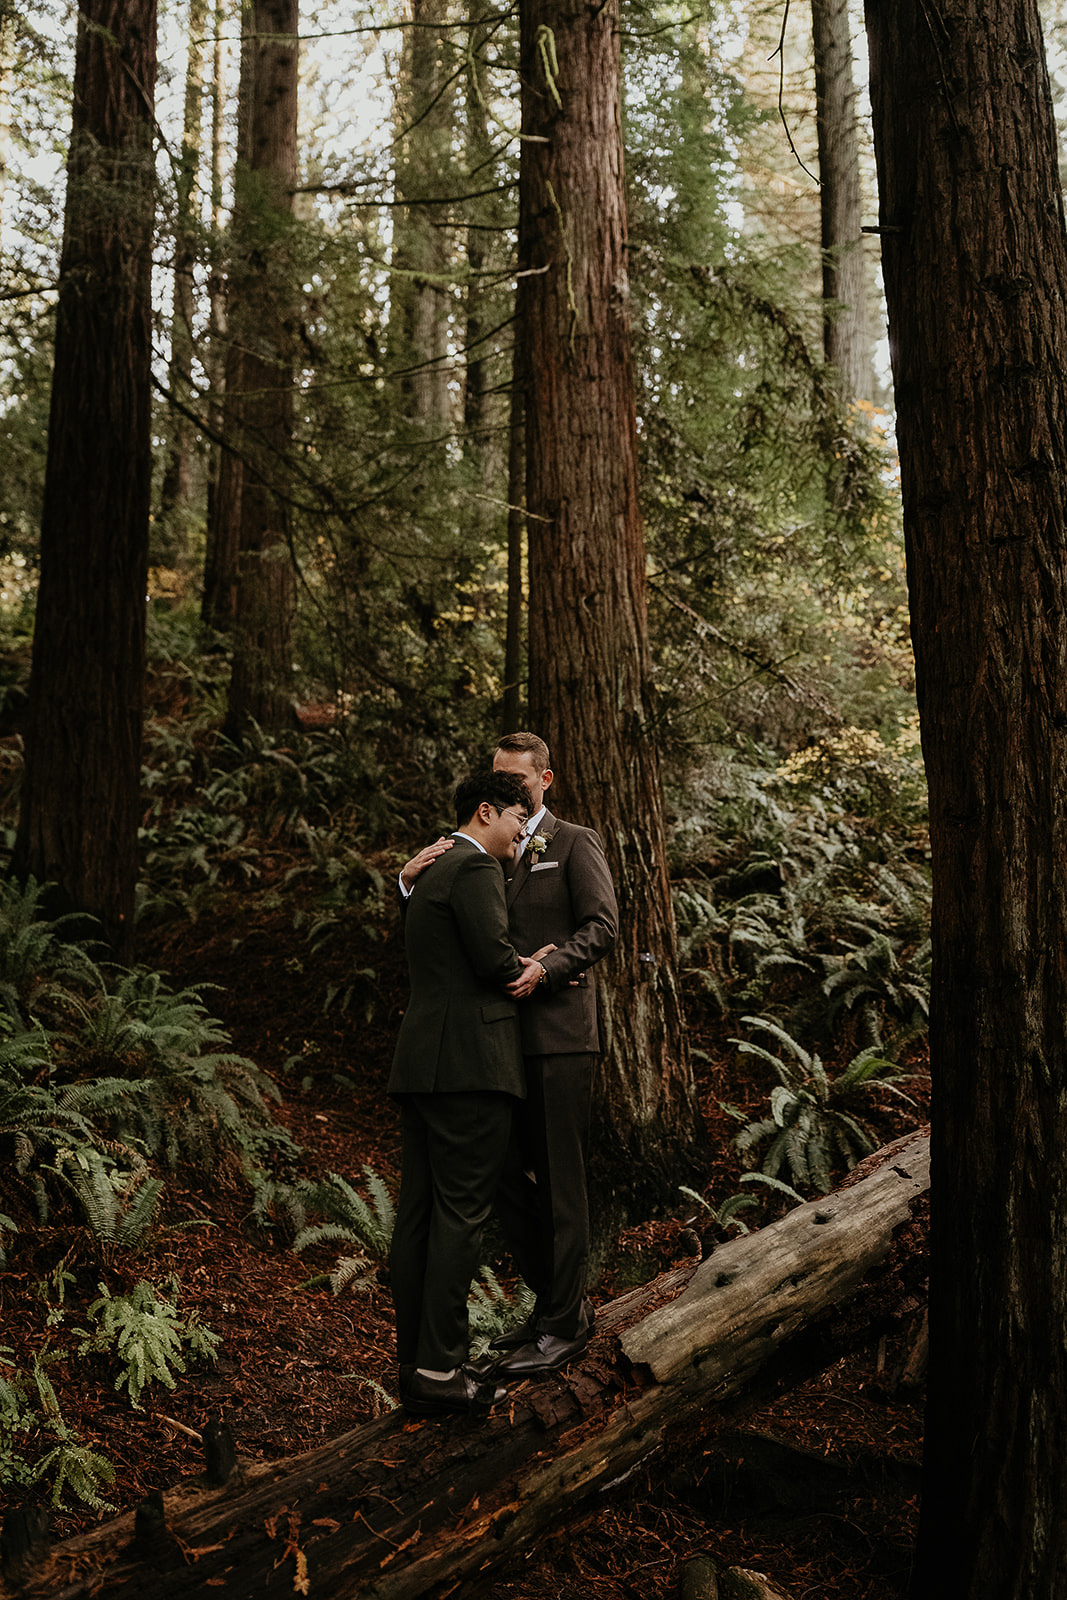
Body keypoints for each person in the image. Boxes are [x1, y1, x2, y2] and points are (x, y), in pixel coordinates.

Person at [400, 732, 618, 1379]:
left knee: (558, 1179)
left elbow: (601, 926)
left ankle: (562, 1321)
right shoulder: (475, 844)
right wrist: (406, 882)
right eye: (498, 778)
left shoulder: (575, 842)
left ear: (544, 782)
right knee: (493, 1181)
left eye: (518, 781)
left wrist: (550, 966)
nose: (507, 790)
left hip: (555, 1037)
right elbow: (444, 924)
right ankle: (554, 1299)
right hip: (487, 1048)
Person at [388, 768, 540, 1416]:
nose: (521, 838)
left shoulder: (426, 875)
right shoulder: (475, 870)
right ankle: (442, 1367)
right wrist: (531, 966)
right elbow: (493, 962)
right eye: (516, 822)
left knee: (419, 1216)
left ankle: (415, 1363)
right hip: (471, 1069)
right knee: (459, 1216)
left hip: (423, 1066)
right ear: (486, 811)